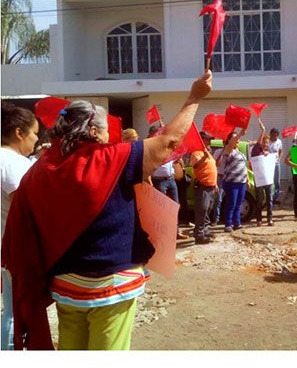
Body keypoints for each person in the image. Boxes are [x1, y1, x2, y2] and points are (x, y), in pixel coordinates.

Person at [1, 72, 212, 350]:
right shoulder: (113, 158)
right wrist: (195, 96)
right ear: (92, 131)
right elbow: (170, 141)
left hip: (66, 287)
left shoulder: (41, 169)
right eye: (104, 129)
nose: (108, 134)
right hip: (110, 285)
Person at [1, 103, 39, 350]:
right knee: (16, 312)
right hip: (15, 248)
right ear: (19, 133)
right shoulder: (11, 162)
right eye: (34, 133)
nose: (36, 139)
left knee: (11, 309)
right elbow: (26, 205)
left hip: (8, 246)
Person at [189, 131, 218, 244]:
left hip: (210, 186)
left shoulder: (207, 152)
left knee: (207, 210)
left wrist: (215, 184)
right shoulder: (196, 153)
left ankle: (205, 231)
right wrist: (204, 156)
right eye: (207, 139)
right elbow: (195, 165)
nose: (210, 141)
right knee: (201, 211)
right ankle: (199, 235)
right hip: (203, 186)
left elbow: (211, 168)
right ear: (201, 139)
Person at [221, 127, 248, 232]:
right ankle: (228, 224)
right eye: (234, 139)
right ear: (229, 141)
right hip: (231, 182)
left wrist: (247, 180)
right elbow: (232, 143)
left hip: (242, 182)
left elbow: (244, 166)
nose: (237, 140)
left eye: (238, 139)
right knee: (231, 203)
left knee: (238, 203)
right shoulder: (228, 150)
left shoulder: (239, 151)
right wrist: (240, 133)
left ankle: (237, 223)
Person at [251, 119, 275, 227]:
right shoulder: (256, 150)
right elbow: (258, 143)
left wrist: (272, 158)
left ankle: (270, 219)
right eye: (264, 142)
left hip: (268, 180)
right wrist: (263, 130)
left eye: (267, 143)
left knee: (269, 199)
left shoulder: (269, 153)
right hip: (259, 180)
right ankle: (259, 220)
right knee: (259, 200)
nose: (266, 144)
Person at [268, 127, 283, 204]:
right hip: (267, 164)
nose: (274, 137)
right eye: (273, 135)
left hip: (276, 164)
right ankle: (269, 198)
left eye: (276, 135)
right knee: (269, 181)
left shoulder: (279, 142)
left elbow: (281, 151)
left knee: (277, 181)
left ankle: (275, 198)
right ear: (270, 134)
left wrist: (279, 159)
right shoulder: (267, 141)